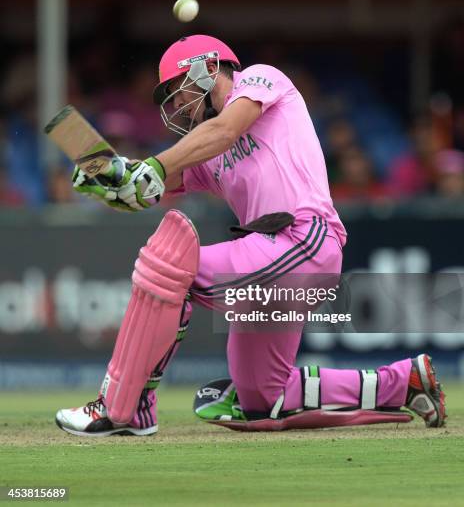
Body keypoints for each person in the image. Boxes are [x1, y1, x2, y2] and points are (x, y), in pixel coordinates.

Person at [55, 35, 446, 436]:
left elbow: (222, 131)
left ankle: (123, 405)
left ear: (206, 69)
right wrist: (111, 176)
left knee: (168, 264)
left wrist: (150, 167)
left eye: (177, 89)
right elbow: (150, 188)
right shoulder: (209, 151)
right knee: (261, 396)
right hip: (273, 258)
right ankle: (405, 382)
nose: (175, 104)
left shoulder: (260, 79)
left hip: (302, 240)